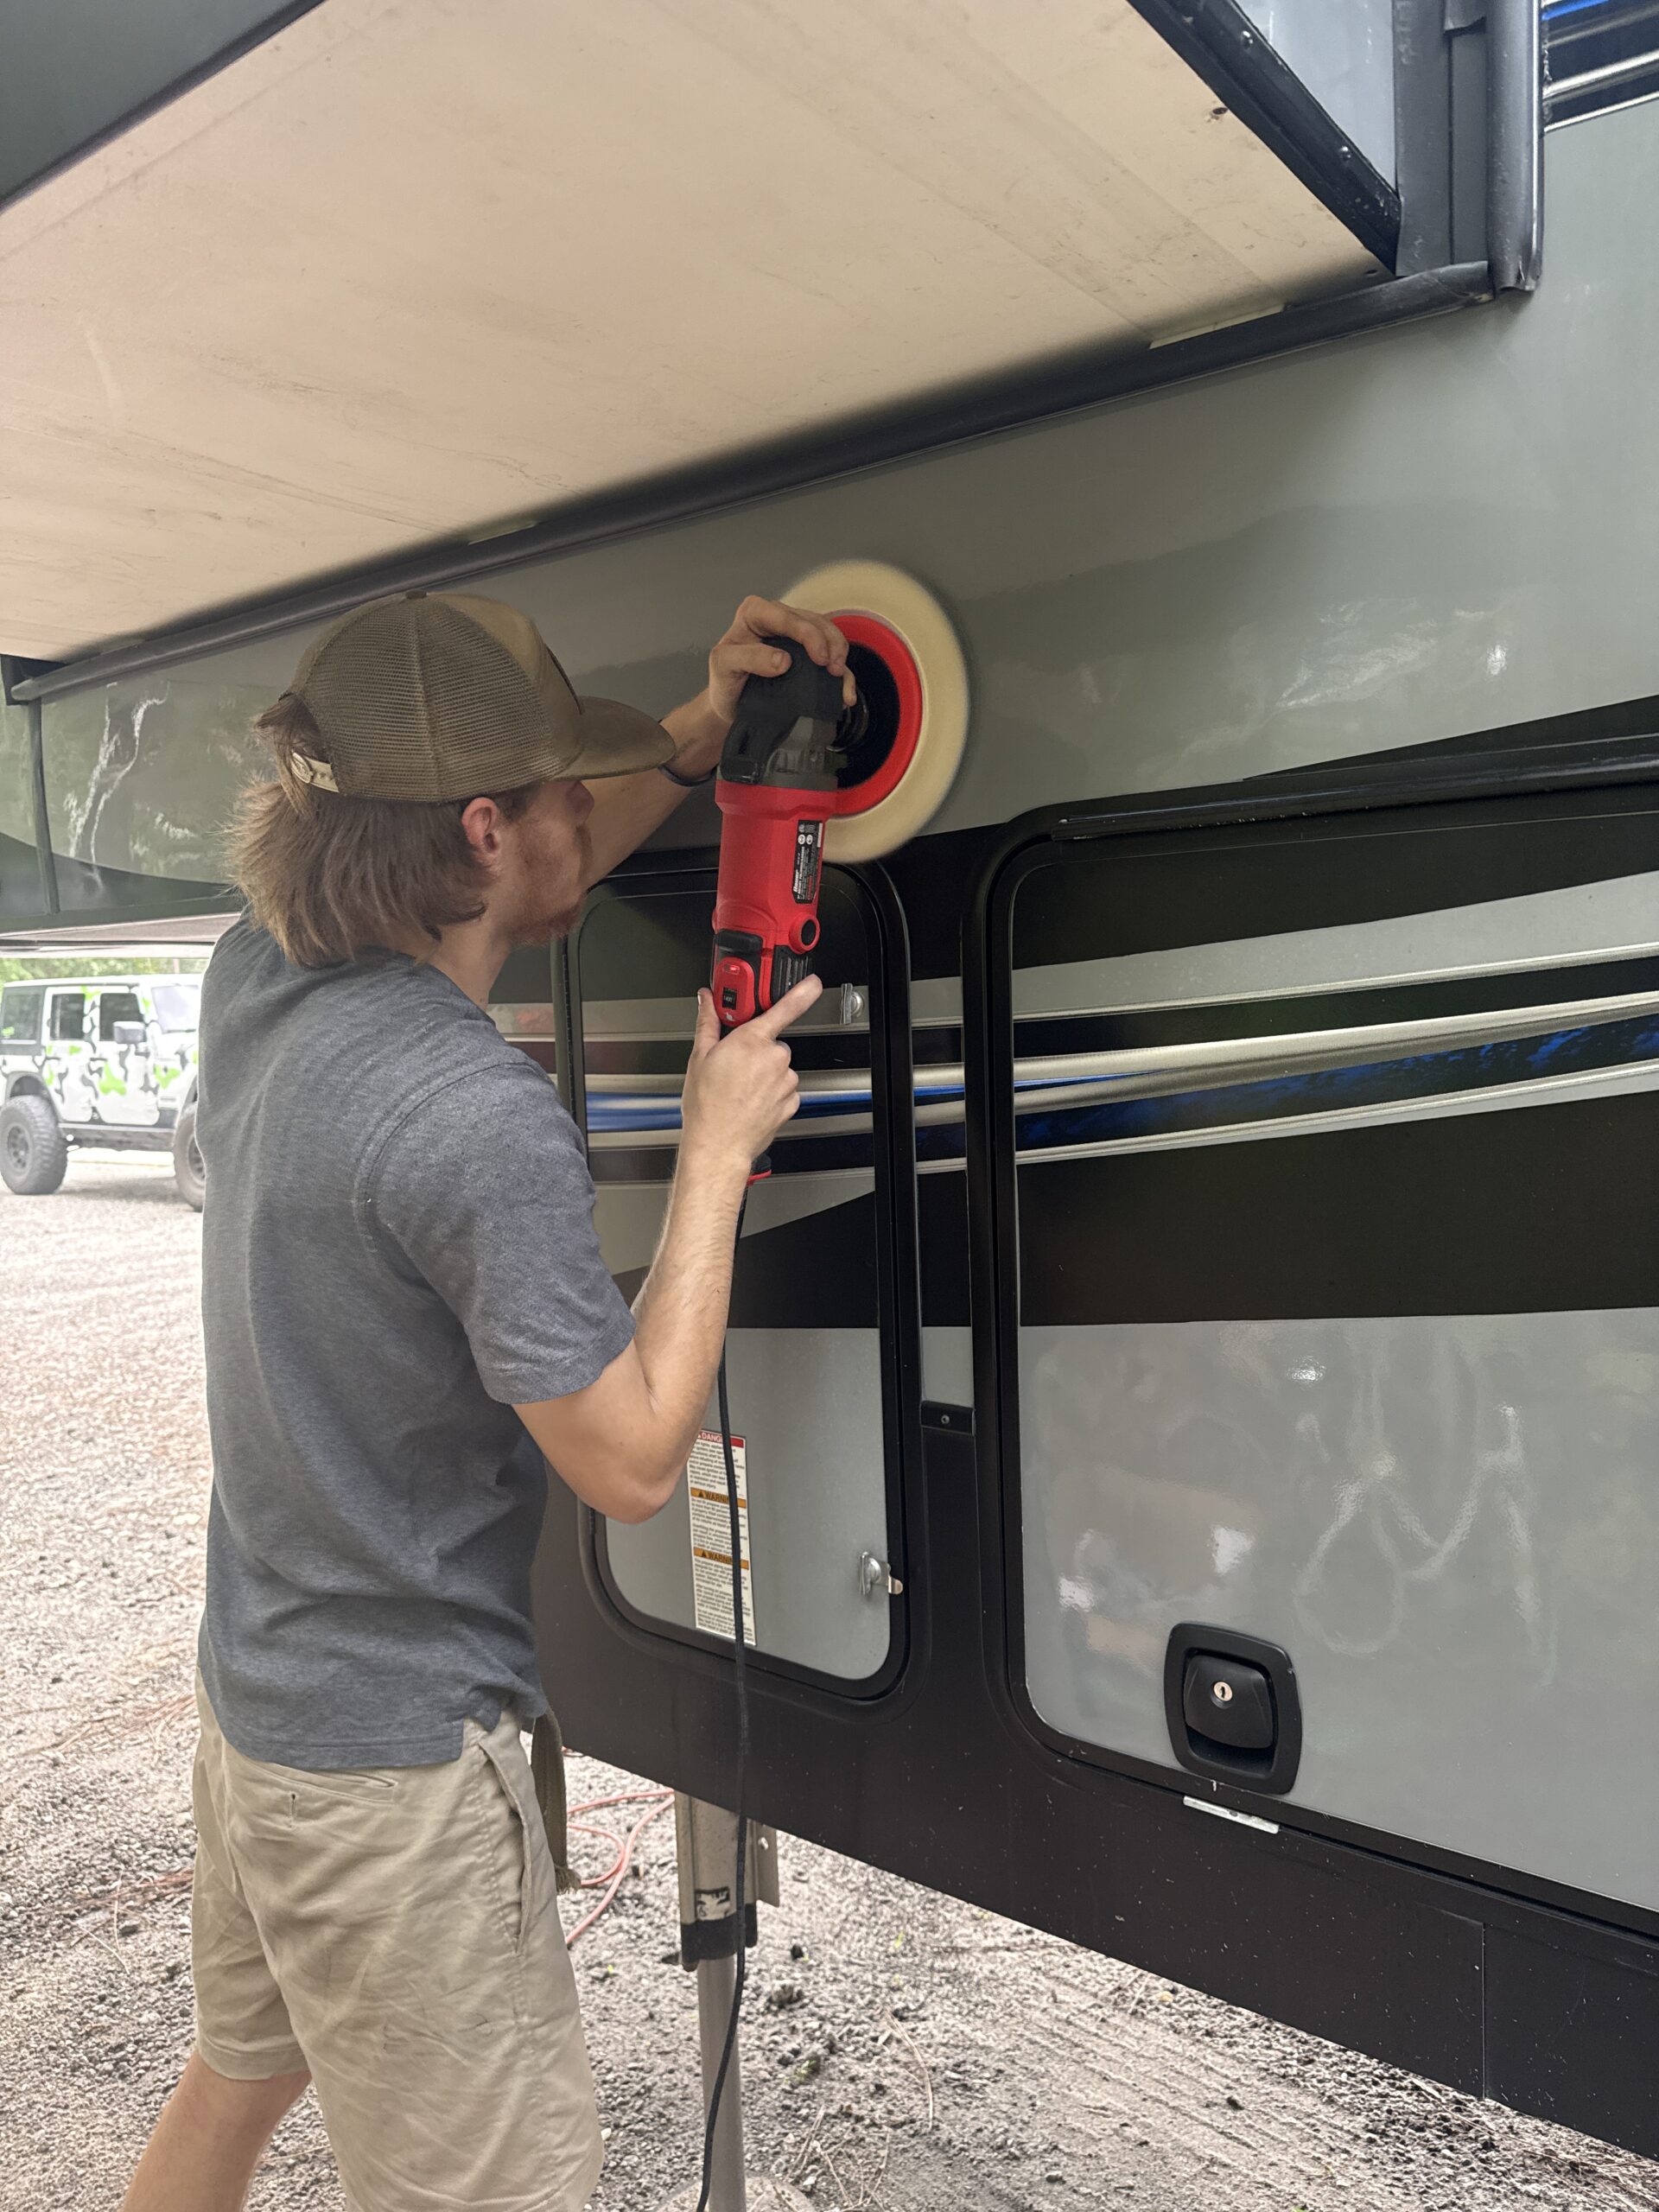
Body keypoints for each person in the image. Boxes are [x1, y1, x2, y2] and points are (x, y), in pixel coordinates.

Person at [119, 588, 851, 2212]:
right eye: (560, 797)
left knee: (234, 2091)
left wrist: (694, 742)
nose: (589, 812)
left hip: (265, 1709)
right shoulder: (471, 1112)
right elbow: (636, 1460)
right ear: (475, 831)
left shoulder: (262, 974)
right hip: (396, 1780)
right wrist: (717, 1147)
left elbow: (536, 850)